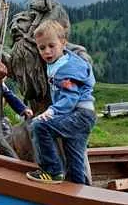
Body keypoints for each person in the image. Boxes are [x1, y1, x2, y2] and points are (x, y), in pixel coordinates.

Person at [27, 19, 96, 184]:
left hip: (79, 114)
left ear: (63, 43)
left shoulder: (66, 69)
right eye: (42, 48)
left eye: (52, 46)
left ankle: (52, 171)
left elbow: (70, 97)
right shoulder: (62, 60)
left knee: (39, 126)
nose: (47, 51)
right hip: (84, 116)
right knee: (74, 158)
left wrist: (52, 111)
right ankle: (80, 192)